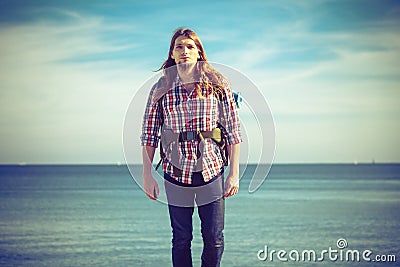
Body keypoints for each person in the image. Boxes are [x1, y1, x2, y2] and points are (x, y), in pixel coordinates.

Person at [140, 27, 242, 267]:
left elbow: (233, 130)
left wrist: (234, 175)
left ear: (199, 53)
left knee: (214, 238)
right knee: (181, 239)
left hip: (212, 171)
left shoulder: (217, 85)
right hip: (175, 174)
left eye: (190, 46)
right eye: (179, 47)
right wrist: (147, 175)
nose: (184, 51)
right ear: (172, 54)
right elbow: (149, 134)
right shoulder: (160, 89)